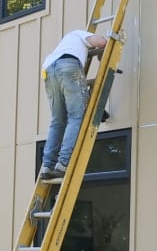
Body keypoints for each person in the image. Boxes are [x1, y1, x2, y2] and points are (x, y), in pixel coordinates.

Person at [40, 29, 108, 180]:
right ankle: (63, 163)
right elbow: (102, 42)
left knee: (57, 120)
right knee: (77, 116)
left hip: (48, 70)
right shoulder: (79, 34)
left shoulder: (65, 44)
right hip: (68, 66)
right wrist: (106, 41)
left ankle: (47, 165)